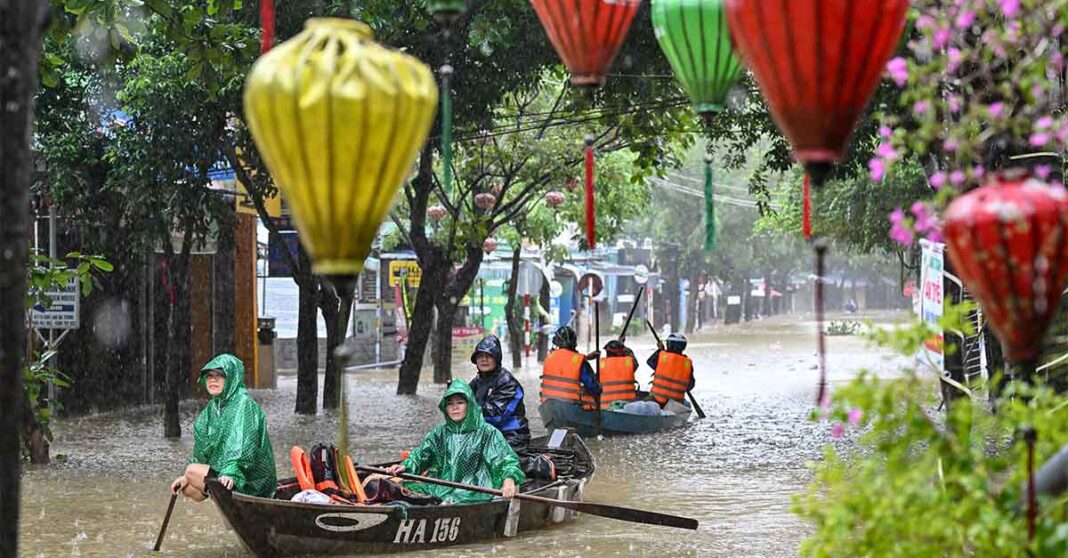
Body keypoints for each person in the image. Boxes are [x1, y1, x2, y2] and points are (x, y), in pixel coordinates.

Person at [385, 379, 524, 503]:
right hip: (441, 485)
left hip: (474, 489)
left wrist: (509, 481)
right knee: (398, 488)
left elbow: (504, 460)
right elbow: (421, 455)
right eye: (450, 403)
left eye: (460, 403)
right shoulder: (439, 432)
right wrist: (405, 466)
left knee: (456, 497)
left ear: (469, 405)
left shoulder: (487, 432)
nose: (454, 407)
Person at [170, 354, 277, 500]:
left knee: (192, 471)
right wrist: (185, 478)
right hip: (225, 472)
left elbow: (244, 445)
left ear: (231, 378)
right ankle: (224, 494)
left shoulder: (244, 404)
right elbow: (203, 450)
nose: (213, 379)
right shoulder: (211, 409)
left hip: (251, 480)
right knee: (189, 488)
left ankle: (230, 491)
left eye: (220, 375)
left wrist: (231, 473)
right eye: (209, 375)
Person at [469, 335, 531, 453]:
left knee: (504, 464)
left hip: (512, 434)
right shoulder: (477, 381)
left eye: (489, 356)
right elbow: (463, 399)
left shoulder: (508, 382)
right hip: (486, 433)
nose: (484, 360)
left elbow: (495, 415)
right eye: (480, 356)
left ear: (496, 359)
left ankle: (540, 465)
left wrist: (468, 412)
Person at [541, 326, 601, 411]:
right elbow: (593, 387)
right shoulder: (579, 361)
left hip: (548, 406)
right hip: (573, 408)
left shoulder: (549, 358)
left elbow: (564, 365)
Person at [646, 333, 695, 407]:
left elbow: (650, 362)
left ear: (669, 344)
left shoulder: (662, 356)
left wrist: (659, 350)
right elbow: (690, 385)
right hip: (676, 402)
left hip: (657, 399)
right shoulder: (687, 363)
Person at [598, 339, 639, 409]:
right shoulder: (628, 364)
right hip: (628, 406)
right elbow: (633, 361)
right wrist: (622, 346)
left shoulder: (603, 365)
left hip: (607, 407)